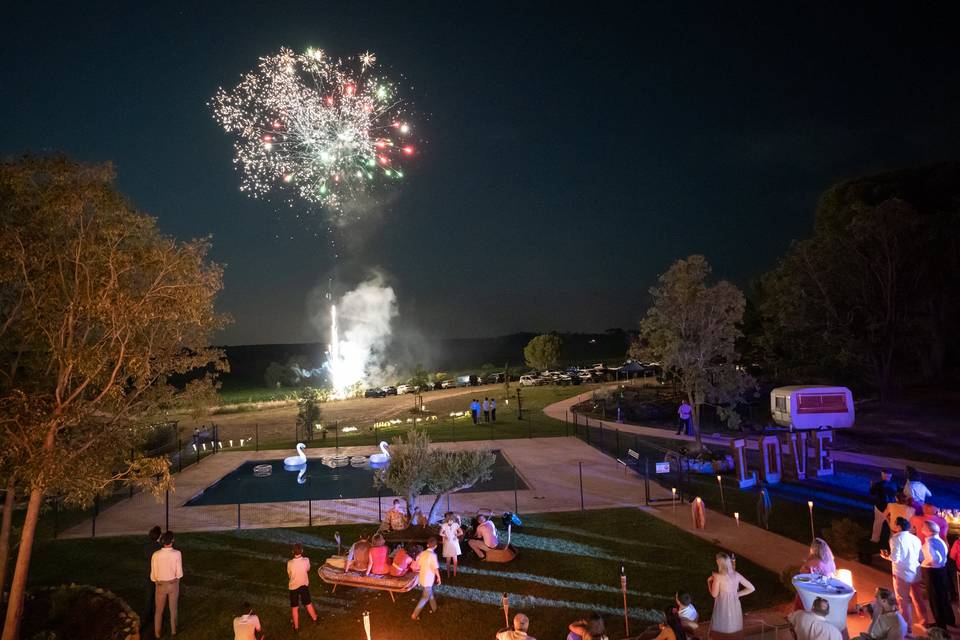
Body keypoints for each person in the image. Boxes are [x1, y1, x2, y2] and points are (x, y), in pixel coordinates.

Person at [881, 517, 927, 632]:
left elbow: (896, 558)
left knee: (903, 600)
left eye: (895, 524)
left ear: (898, 527)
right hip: (915, 573)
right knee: (918, 599)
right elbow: (921, 557)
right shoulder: (915, 538)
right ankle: (924, 622)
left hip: (901, 574)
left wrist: (886, 556)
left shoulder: (895, 539)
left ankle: (907, 627)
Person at [707, 551, 755, 637]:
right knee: (733, 624)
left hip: (723, 605)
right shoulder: (736, 575)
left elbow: (714, 594)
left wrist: (709, 582)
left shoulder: (718, 577)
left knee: (722, 625)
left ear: (719, 564)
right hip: (734, 604)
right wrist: (737, 594)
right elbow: (751, 588)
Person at [919, 521, 954, 630]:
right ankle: (949, 619)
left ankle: (940, 626)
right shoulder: (939, 540)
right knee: (943, 596)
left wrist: (923, 562)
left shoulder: (930, 543)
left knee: (935, 599)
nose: (921, 528)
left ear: (929, 530)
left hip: (932, 572)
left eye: (923, 526)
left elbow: (934, 558)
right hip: (941, 570)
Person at [150, 530, 183, 639]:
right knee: (173, 609)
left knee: (159, 611)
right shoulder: (177, 553)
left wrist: (157, 583)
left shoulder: (155, 555)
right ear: (172, 540)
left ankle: (157, 633)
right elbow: (179, 573)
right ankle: (174, 631)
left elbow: (153, 574)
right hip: (173, 584)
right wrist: (176, 583)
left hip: (160, 585)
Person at [287, 543, 318, 630]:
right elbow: (308, 569)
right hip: (303, 585)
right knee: (308, 603)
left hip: (293, 587)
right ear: (302, 551)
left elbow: (289, 575)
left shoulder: (290, 563)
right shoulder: (306, 560)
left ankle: (296, 627)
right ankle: (315, 618)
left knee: (294, 607)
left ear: (293, 552)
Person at [411, 537, 441, 620]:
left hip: (422, 578)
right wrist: (438, 577)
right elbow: (435, 568)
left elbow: (419, 564)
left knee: (429, 594)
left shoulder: (422, 553)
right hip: (428, 580)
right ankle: (414, 615)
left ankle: (434, 608)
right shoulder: (433, 555)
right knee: (425, 598)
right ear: (435, 546)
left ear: (427, 545)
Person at [869, 471, 898, 544]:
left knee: (878, 523)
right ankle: (892, 541)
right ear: (890, 476)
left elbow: (872, 493)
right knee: (892, 525)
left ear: (882, 475)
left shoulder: (878, 484)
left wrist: (871, 485)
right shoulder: (894, 484)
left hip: (880, 506)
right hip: (891, 507)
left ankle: (875, 539)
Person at [143, 525, 162, 634]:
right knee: (158, 596)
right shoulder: (159, 548)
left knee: (149, 595)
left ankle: (147, 615)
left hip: (148, 573)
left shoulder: (146, 547)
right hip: (158, 575)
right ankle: (157, 615)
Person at [439, 511, 463, 577]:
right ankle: (450, 574)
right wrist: (446, 536)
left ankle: (452, 574)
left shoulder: (454, 525)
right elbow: (440, 533)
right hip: (449, 543)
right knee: (450, 560)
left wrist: (455, 535)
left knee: (452, 560)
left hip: (452, 543)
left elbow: (461, 532)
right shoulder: (445, 525)